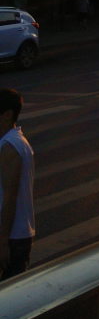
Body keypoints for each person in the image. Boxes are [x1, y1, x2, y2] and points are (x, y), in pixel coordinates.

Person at [0, 88, 35, 280]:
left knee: (9, 302)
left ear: (7, 114)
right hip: (13, 236)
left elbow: (10, 197)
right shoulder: (12, 142)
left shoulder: (10, 147)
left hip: (12, 239)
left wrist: (3, 242)